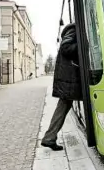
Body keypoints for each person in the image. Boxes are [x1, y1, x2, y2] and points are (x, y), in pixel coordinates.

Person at [41, 23, 82, 151]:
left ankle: (49, 138)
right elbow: (66, 48)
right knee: (63, 106)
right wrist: (83, 46)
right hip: (69, 79)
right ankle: (49, 138)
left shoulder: (73, 30)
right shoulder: (73, 29)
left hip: (69, 79)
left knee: (63, 107)